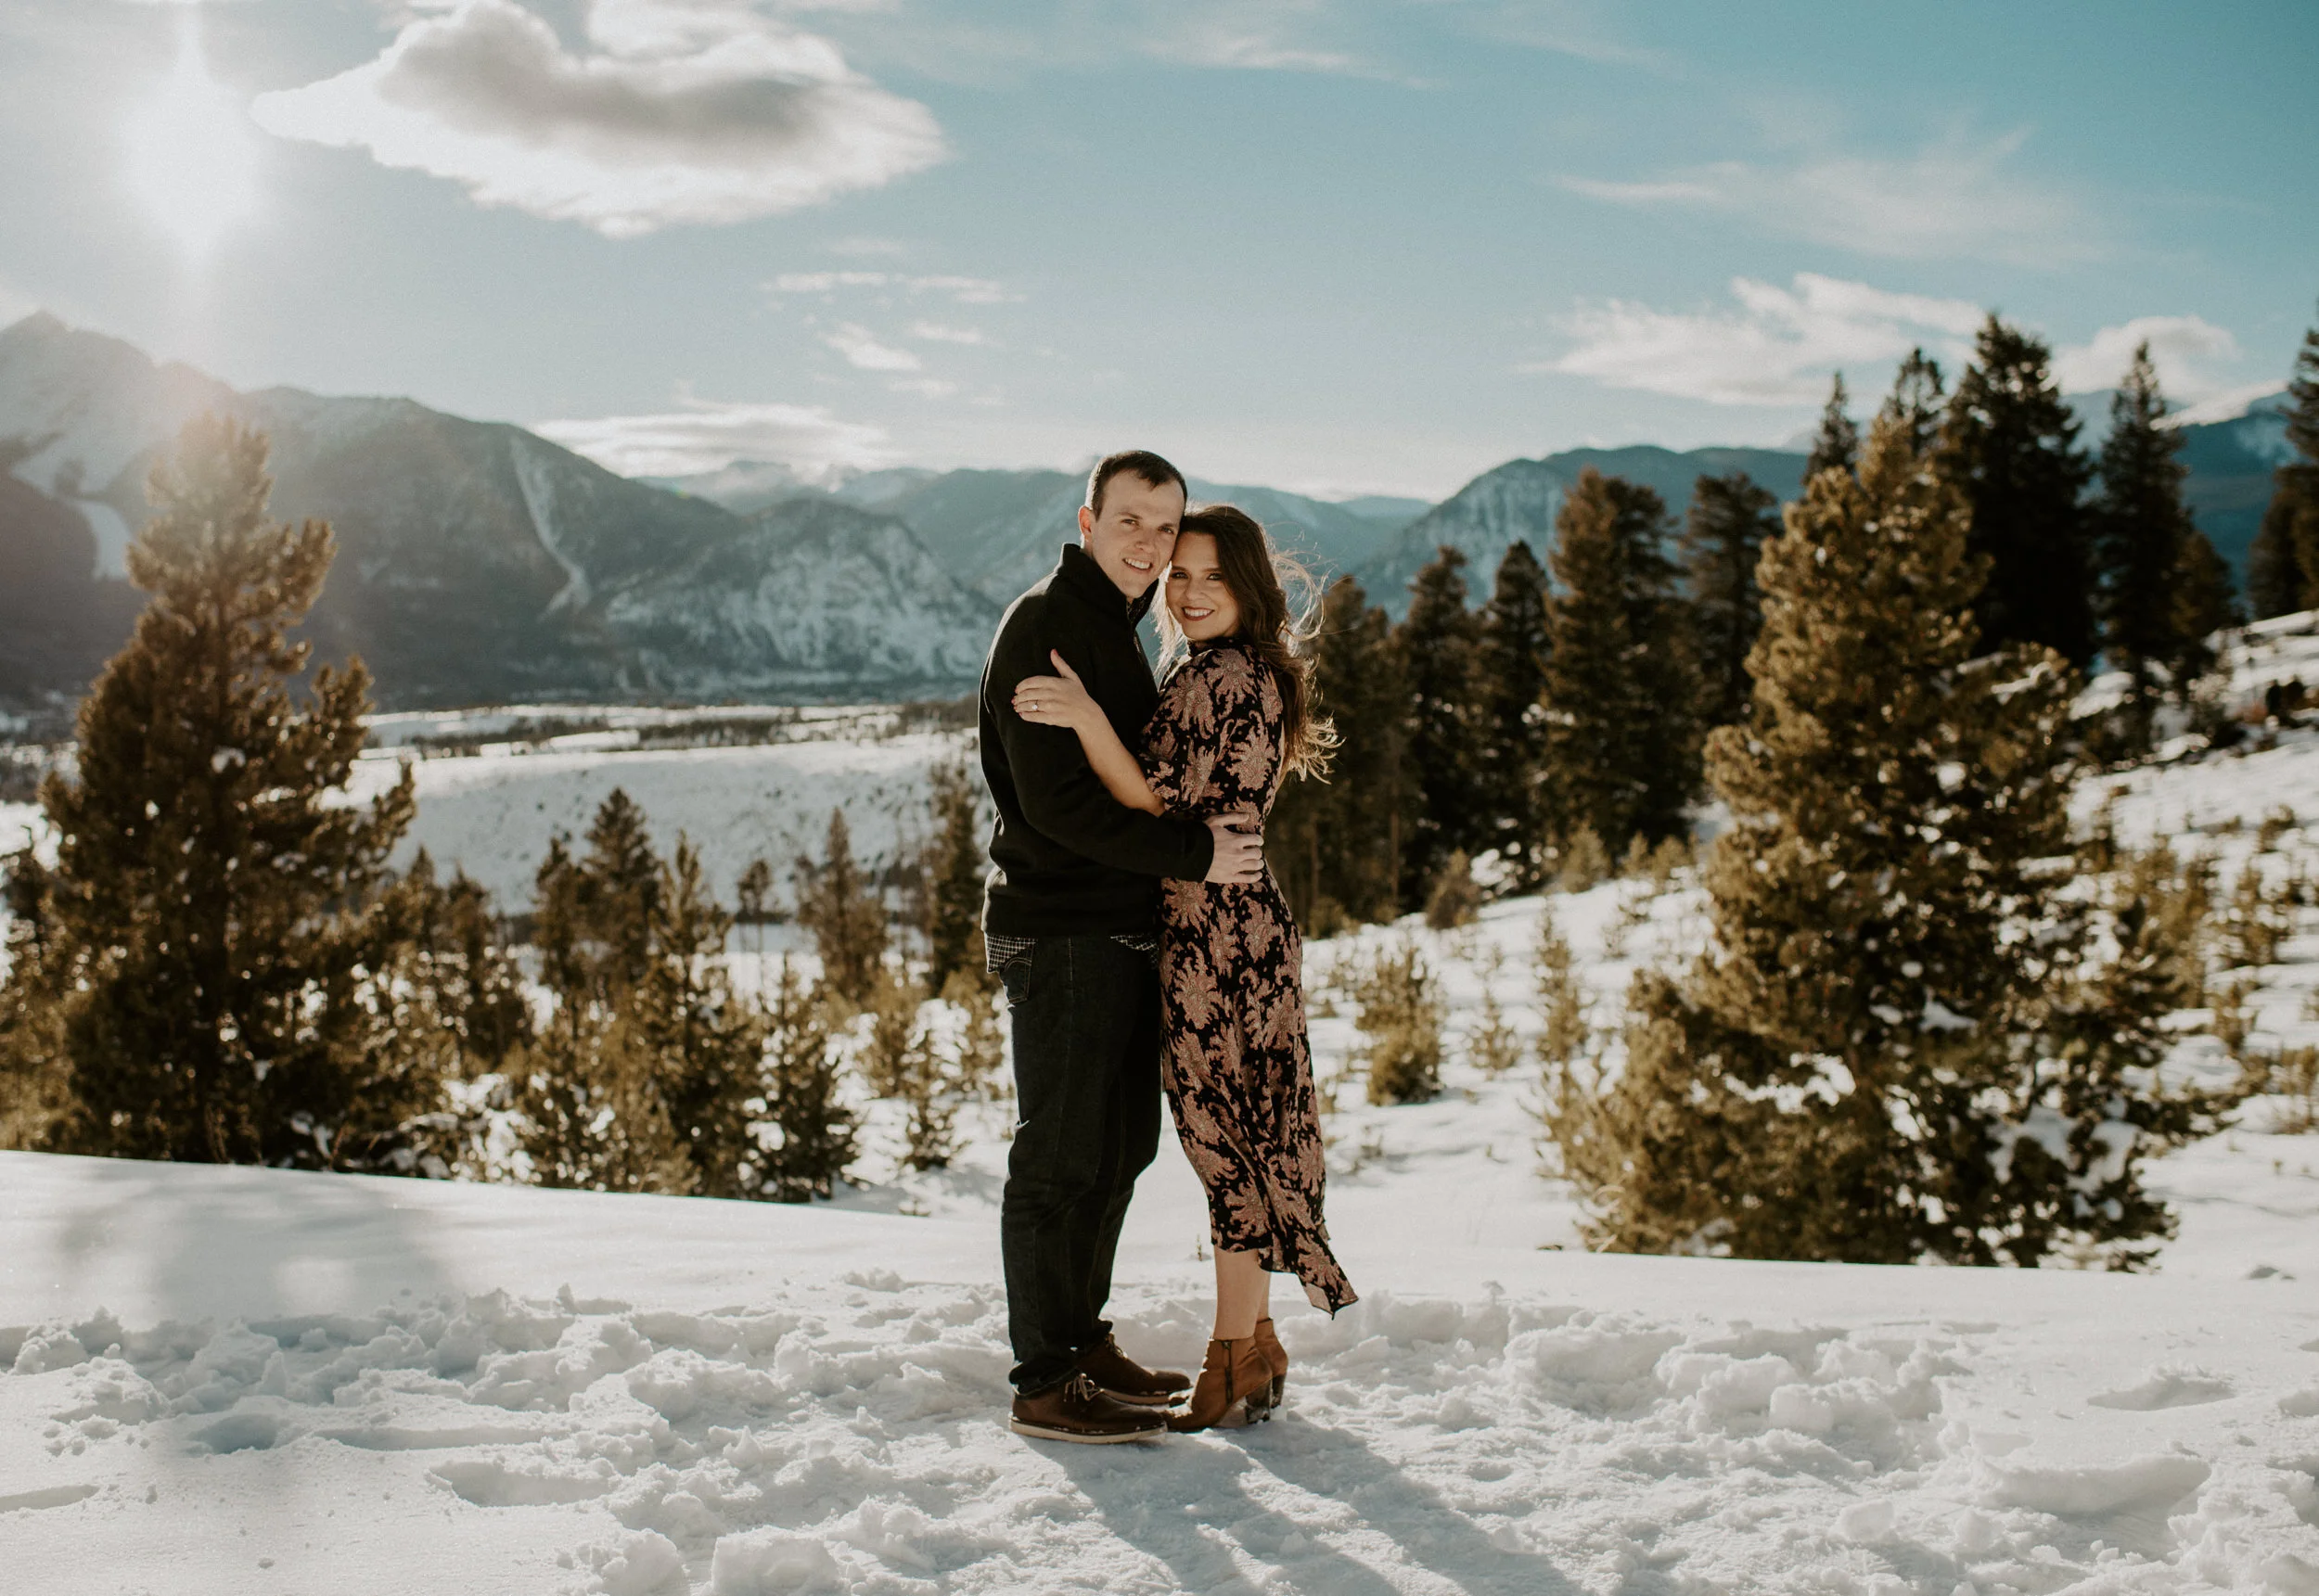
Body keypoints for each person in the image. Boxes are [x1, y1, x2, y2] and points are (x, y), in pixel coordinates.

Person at [1015, 502, 1356, 1433]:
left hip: (1219, 940)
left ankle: (1230, 1356)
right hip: (1226, 928)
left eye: (1213, 575)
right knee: (1238, 1132)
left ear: (1249, 586)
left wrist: (1086, 717)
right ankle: (1254, 1338)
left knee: (1225, 1145)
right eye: (1182, 573)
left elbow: (1155, 803)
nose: (1192, 590)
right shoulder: (1211, 666)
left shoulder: (1227, 675)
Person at [980, 450, 1270, 1445]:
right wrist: (1194, 853)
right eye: (1132, 519)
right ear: (1088, 516)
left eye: (1165, 523)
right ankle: (1045, 1375)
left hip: (1117, 929)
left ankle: (1080, 1339)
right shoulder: (1047, 626)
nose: (1150, 543)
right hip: (1061, 927)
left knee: (1119, 1147)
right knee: (1060, 1155)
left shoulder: (1112, 622)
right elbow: (1060, 809)